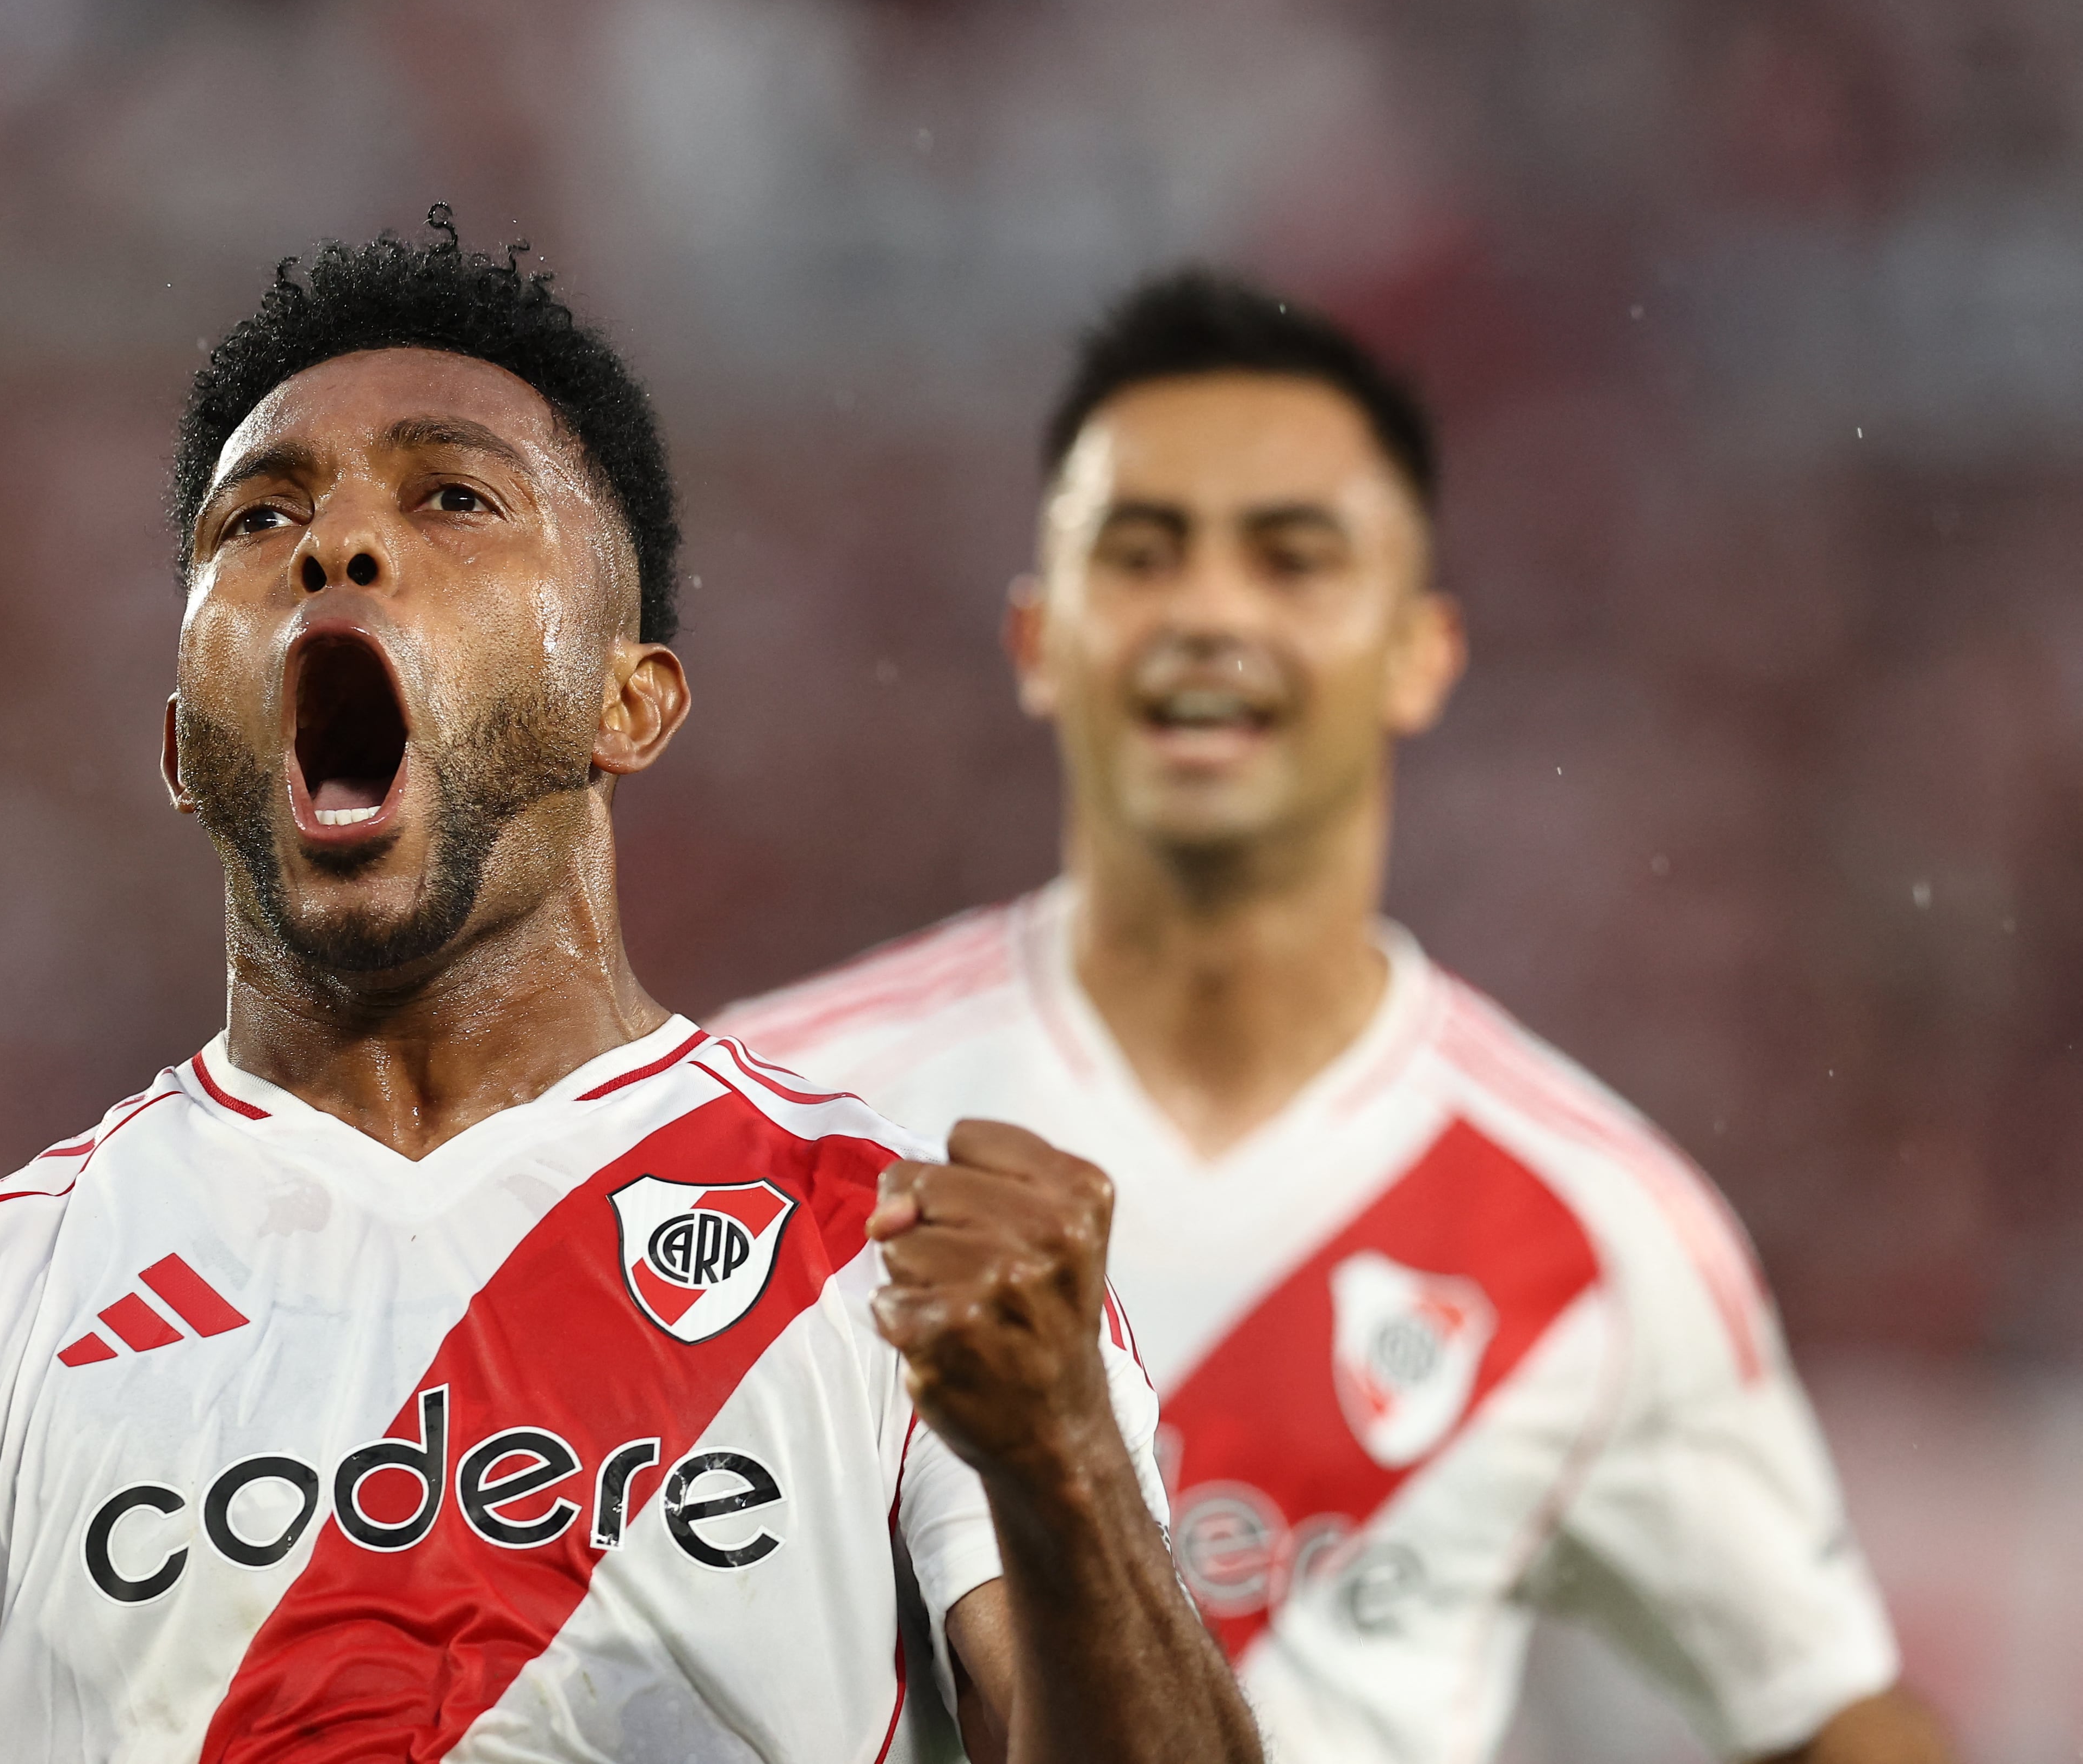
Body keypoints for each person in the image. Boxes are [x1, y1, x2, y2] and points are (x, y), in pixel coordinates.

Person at [0, 216, 1259, 1764]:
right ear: (183, 743)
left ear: (629, 702)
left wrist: (1062, 1466)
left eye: (455, 499)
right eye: (257, 520)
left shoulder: (902, 1263)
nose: (338, 544)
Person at [718, 270, 1951, 1764]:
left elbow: (1827, 1712)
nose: (1210, 613)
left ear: (1420, 651)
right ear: (1038, 639)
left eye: (1292, 558)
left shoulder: (1594, 1228)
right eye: (1142, 553)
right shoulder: (784, 1118)